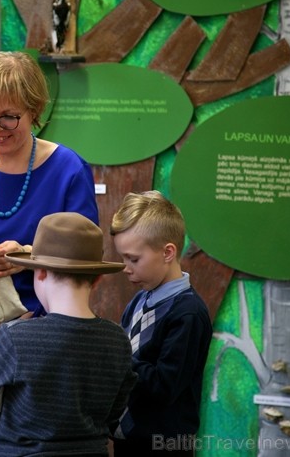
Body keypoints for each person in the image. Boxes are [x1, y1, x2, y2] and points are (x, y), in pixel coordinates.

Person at [0, 50, 99, 457]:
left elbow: (86, 259)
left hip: (41, 343)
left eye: (8, 116)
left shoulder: (68, 169)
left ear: (35, 109)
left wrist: (30, 253)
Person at [0, 212, 137, 456]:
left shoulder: (15, 339)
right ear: (98, 278)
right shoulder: (118, 340)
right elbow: (114, 413)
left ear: (39, 273)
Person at [109, 191, 213, 456]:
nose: (126, 267)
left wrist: (115, 358)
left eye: (133, 259)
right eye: (123, 258)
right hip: (127, 440)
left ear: (168, 252)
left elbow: (164, 386)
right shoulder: (139, 299)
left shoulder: (188, 313)